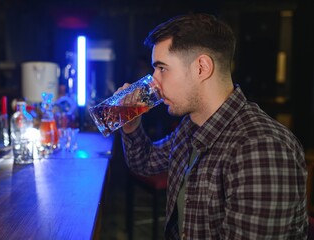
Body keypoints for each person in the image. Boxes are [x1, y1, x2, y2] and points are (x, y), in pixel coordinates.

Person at [118, 13, 308, 239]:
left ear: (202, 68)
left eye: (162, 68)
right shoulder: (192, 125)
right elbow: (145, 162)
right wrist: (130, 125)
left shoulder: (261, 148)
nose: (154, 82)